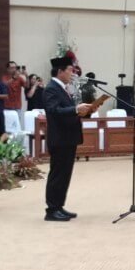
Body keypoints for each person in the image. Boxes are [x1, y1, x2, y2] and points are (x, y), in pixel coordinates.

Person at [43, 56, 94, 222]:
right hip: (59, 138)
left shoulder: (63, 88)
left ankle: (59, 206)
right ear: (60, 71)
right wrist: (75, 109)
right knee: (58, 174)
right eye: (70, 70)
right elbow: (53, 111)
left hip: (68, 138)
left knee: (65, 174)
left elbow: (68, 111)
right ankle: (51, 210)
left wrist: (84, 111)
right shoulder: (51, 88)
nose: (73, 74)